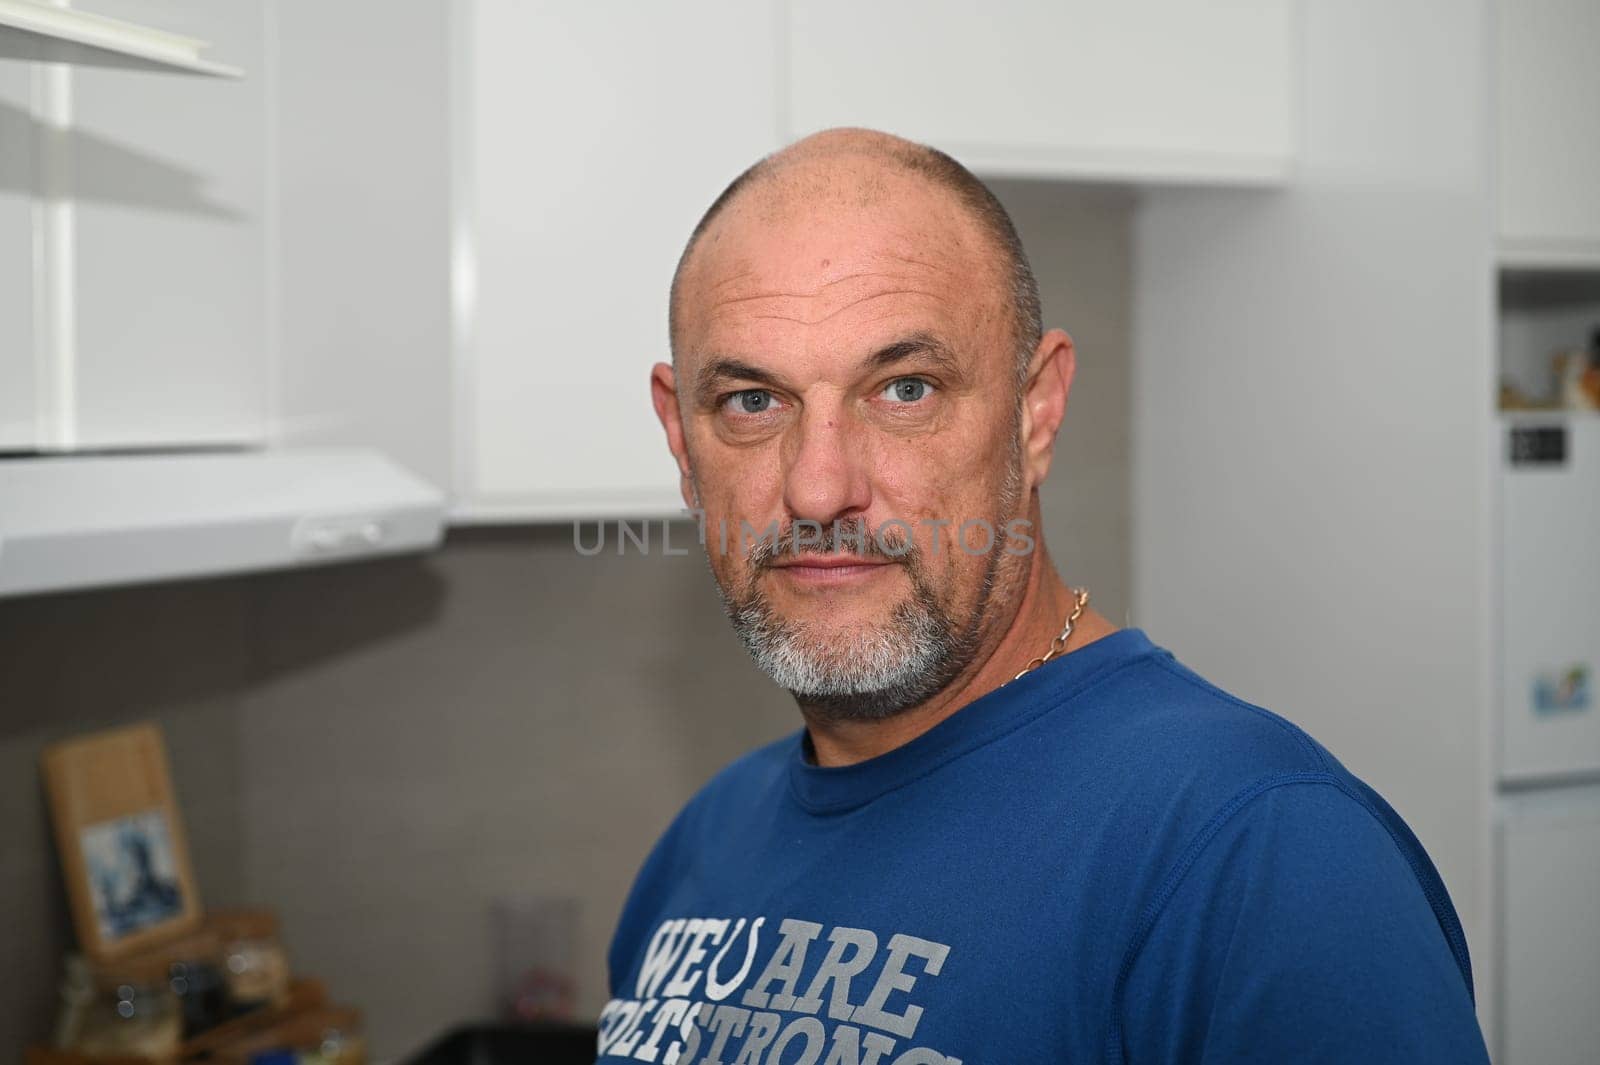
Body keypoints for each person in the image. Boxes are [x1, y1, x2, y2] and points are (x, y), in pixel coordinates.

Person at [595, 129, 1490, 1064]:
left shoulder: (1259, 851)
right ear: (680, 437)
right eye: (751, 401)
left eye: (905, 388)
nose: (820, 488)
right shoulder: (703, 845)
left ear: (1036, 411)